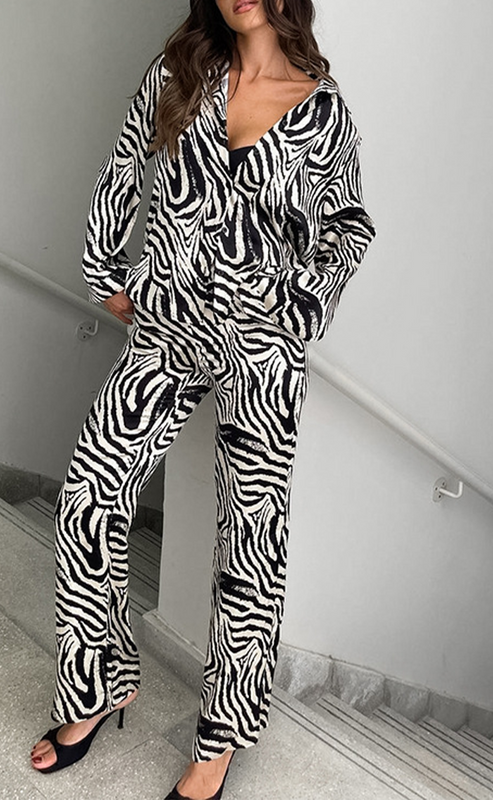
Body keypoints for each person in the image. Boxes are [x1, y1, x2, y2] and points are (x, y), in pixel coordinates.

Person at [29, 0, 376, 797]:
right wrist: (107, 274)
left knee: (249, 542)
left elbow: (349, 226)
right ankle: (98, 685)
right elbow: (125, 166)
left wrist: (296, 306)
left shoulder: (322, 108)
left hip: (261, 348)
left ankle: (218, 743)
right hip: (167, 327)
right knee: (87, 499)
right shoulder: (181, 72)